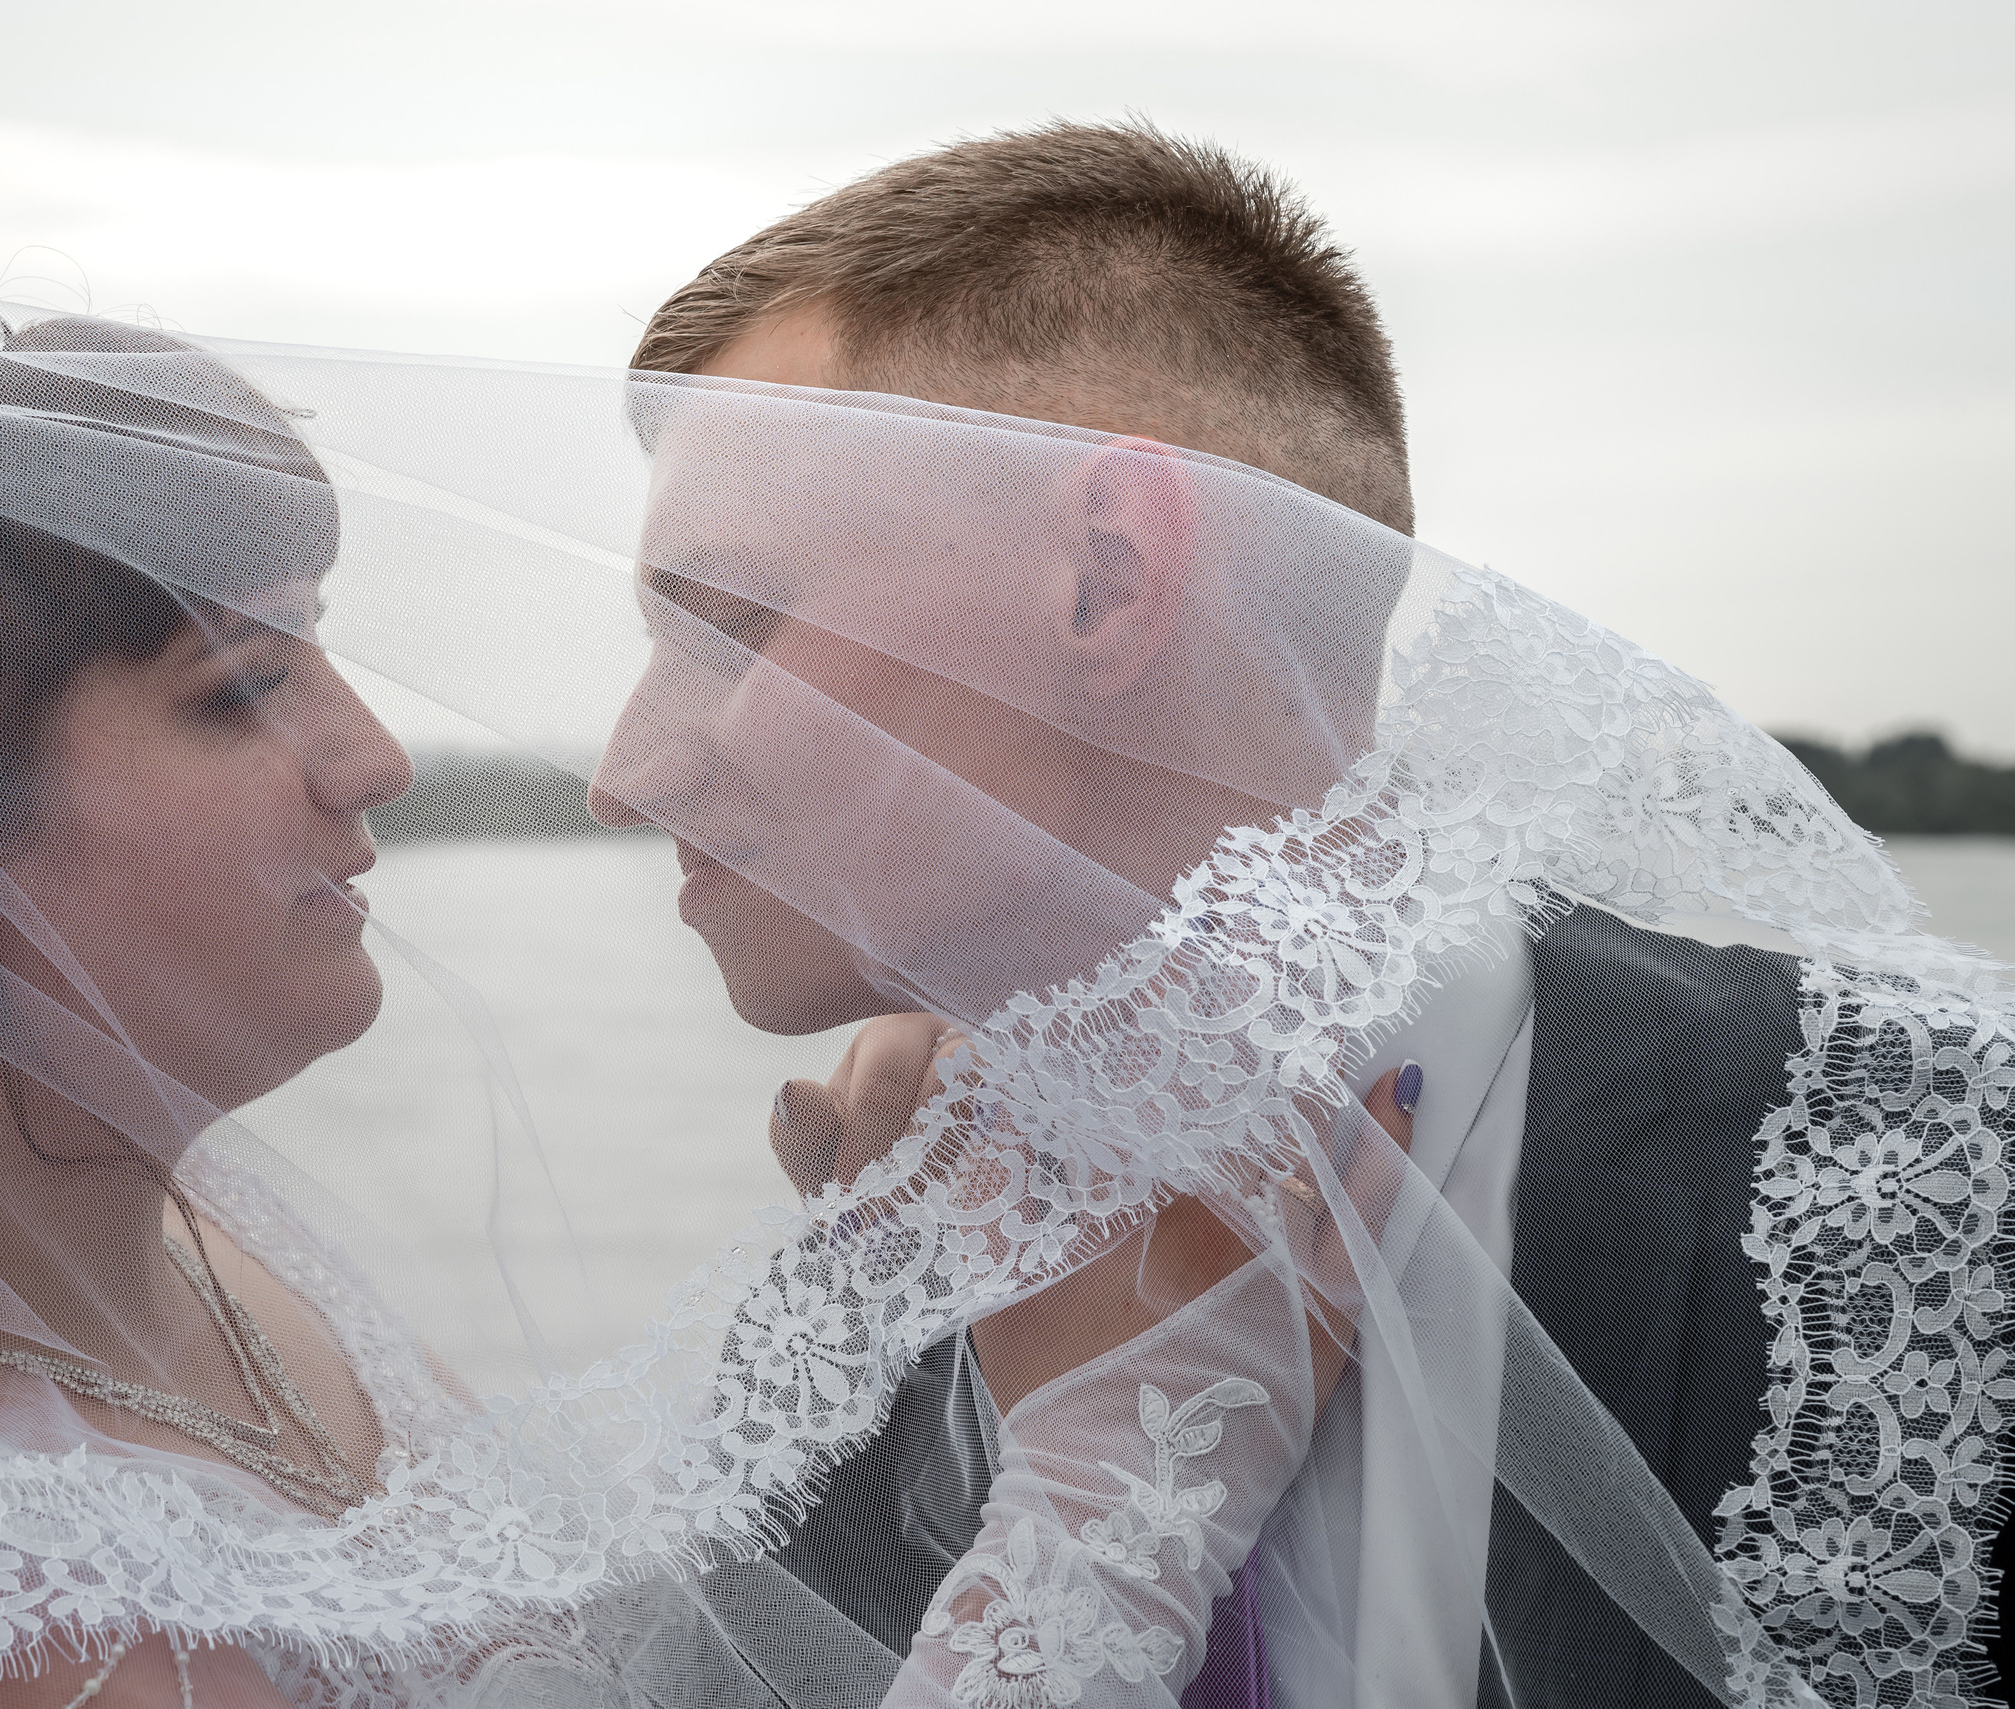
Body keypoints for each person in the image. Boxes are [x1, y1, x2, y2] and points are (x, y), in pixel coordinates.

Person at [593, 121, 2014, 1707]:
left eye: (730, 624)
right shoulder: (862, 1291)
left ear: (1109, 577)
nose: (624, 773)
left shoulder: (1948, 1175)